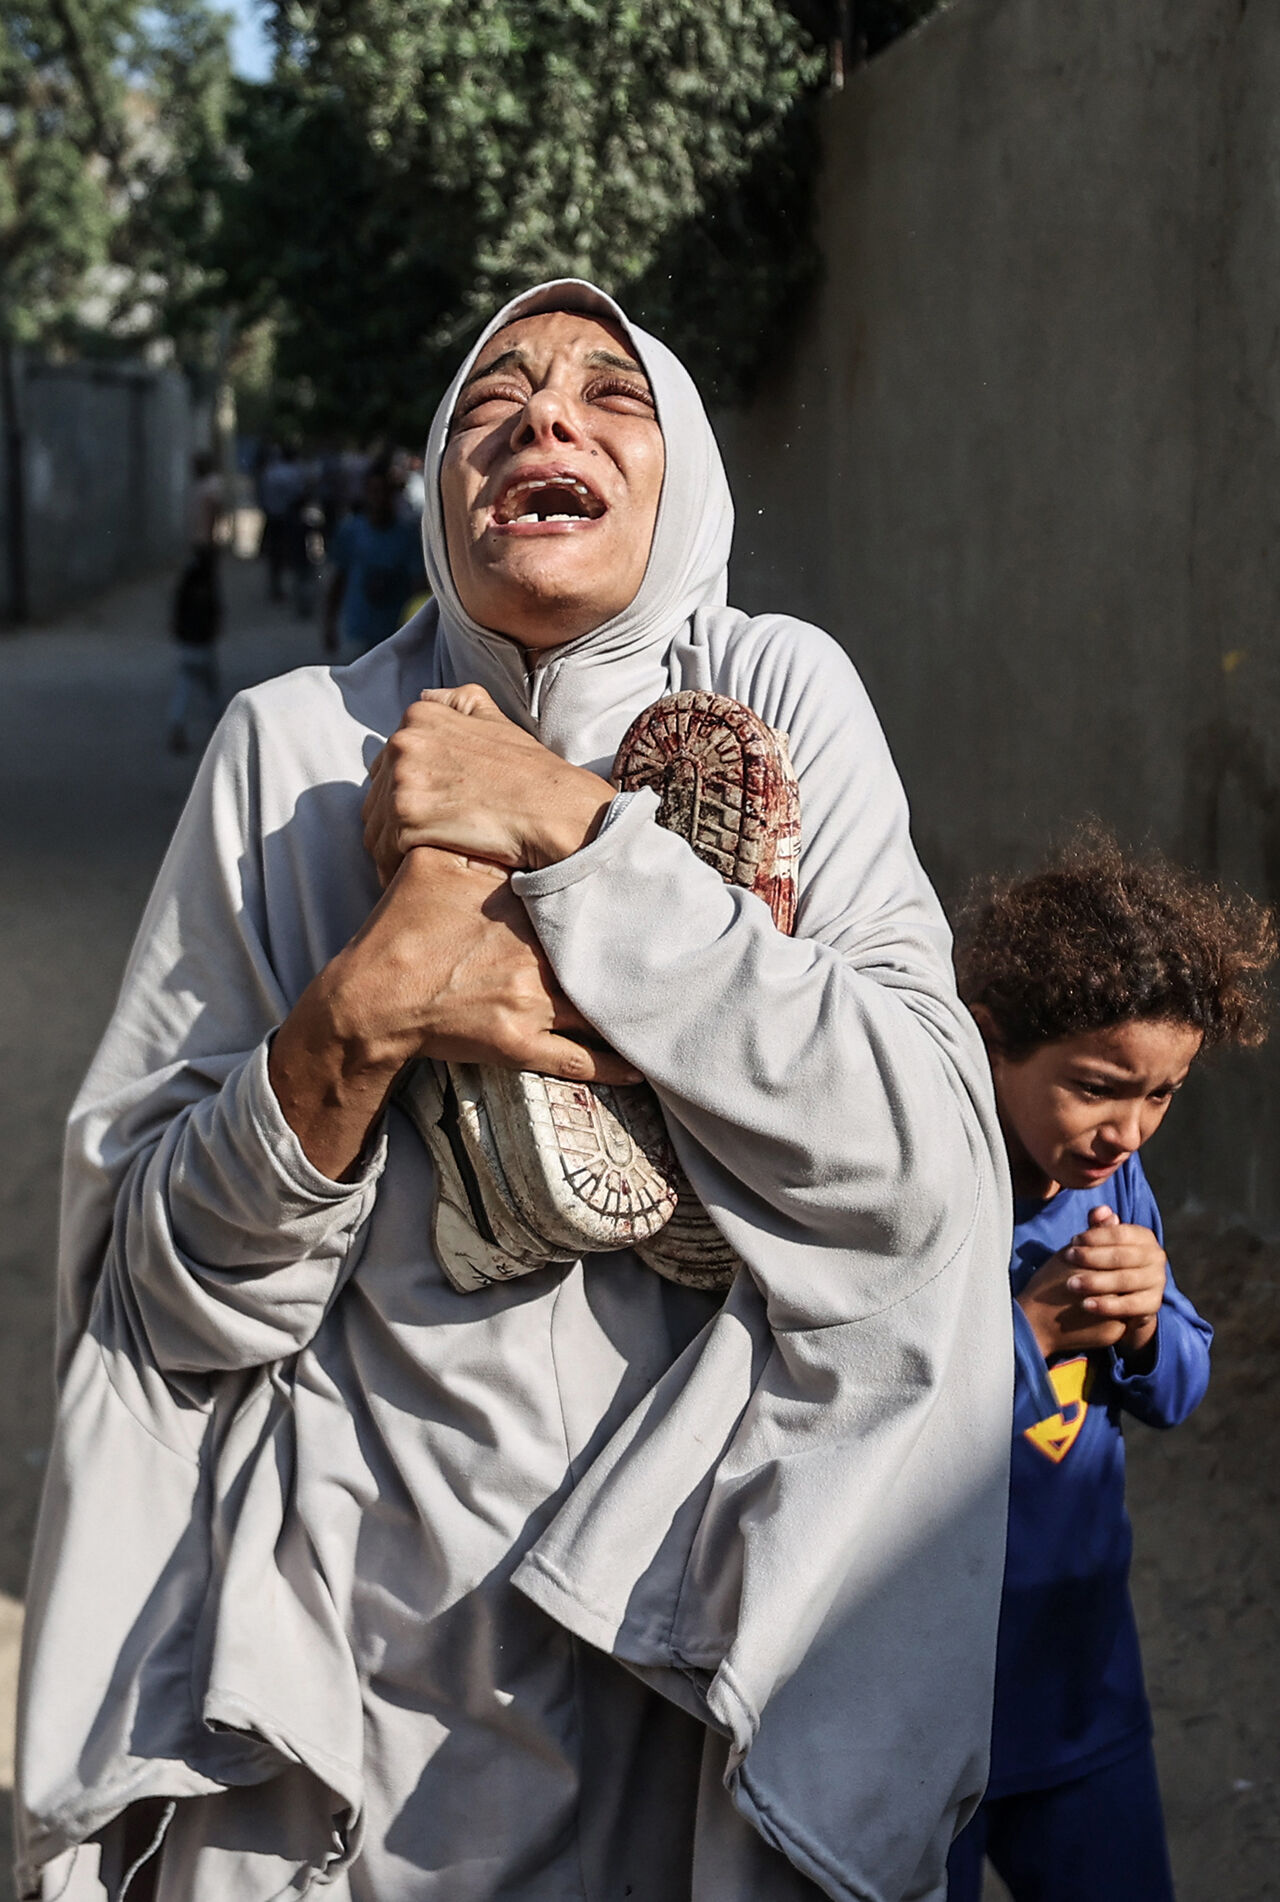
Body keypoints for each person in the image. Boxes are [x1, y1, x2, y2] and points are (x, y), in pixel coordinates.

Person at [18, 282, 1013, 1902]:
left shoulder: (786, 705)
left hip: (684, 1691)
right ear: (436, 482)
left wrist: (573, 831)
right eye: (494, 399)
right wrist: (362, 1009)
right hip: (339, 1710)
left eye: (611, 393)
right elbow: (154, 1286)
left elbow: (920, 1171)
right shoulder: (288, 756)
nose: (545, 418)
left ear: (683, 468)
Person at [948, 834, 1275, 1902]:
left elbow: (1178, 1387)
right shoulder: (925, 1191)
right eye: (1096, 1089)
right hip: (923, 1701)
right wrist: (1029, 1333)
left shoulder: (1110, 1183)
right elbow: (871, 1414)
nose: (1126, 1132)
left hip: (1080, 1689)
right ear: (993, 1045)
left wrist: (1143, 1329)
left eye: (1163, 1095)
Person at [322, 453, 428, 659]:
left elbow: (419, 587)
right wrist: (329, 623)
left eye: (384, 492)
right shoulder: (351, 531)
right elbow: (338, 578)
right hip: (357, 631)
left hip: (394, 634)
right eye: (373, 492)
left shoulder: (406, 536)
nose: (378, 498)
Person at [166, 451, 226, 755]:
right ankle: (218, 727)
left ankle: (200, 724)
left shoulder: (197, 490)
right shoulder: (211, 487)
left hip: (193, 633)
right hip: (199, 633)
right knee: (202, 674)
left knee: (194, 676)